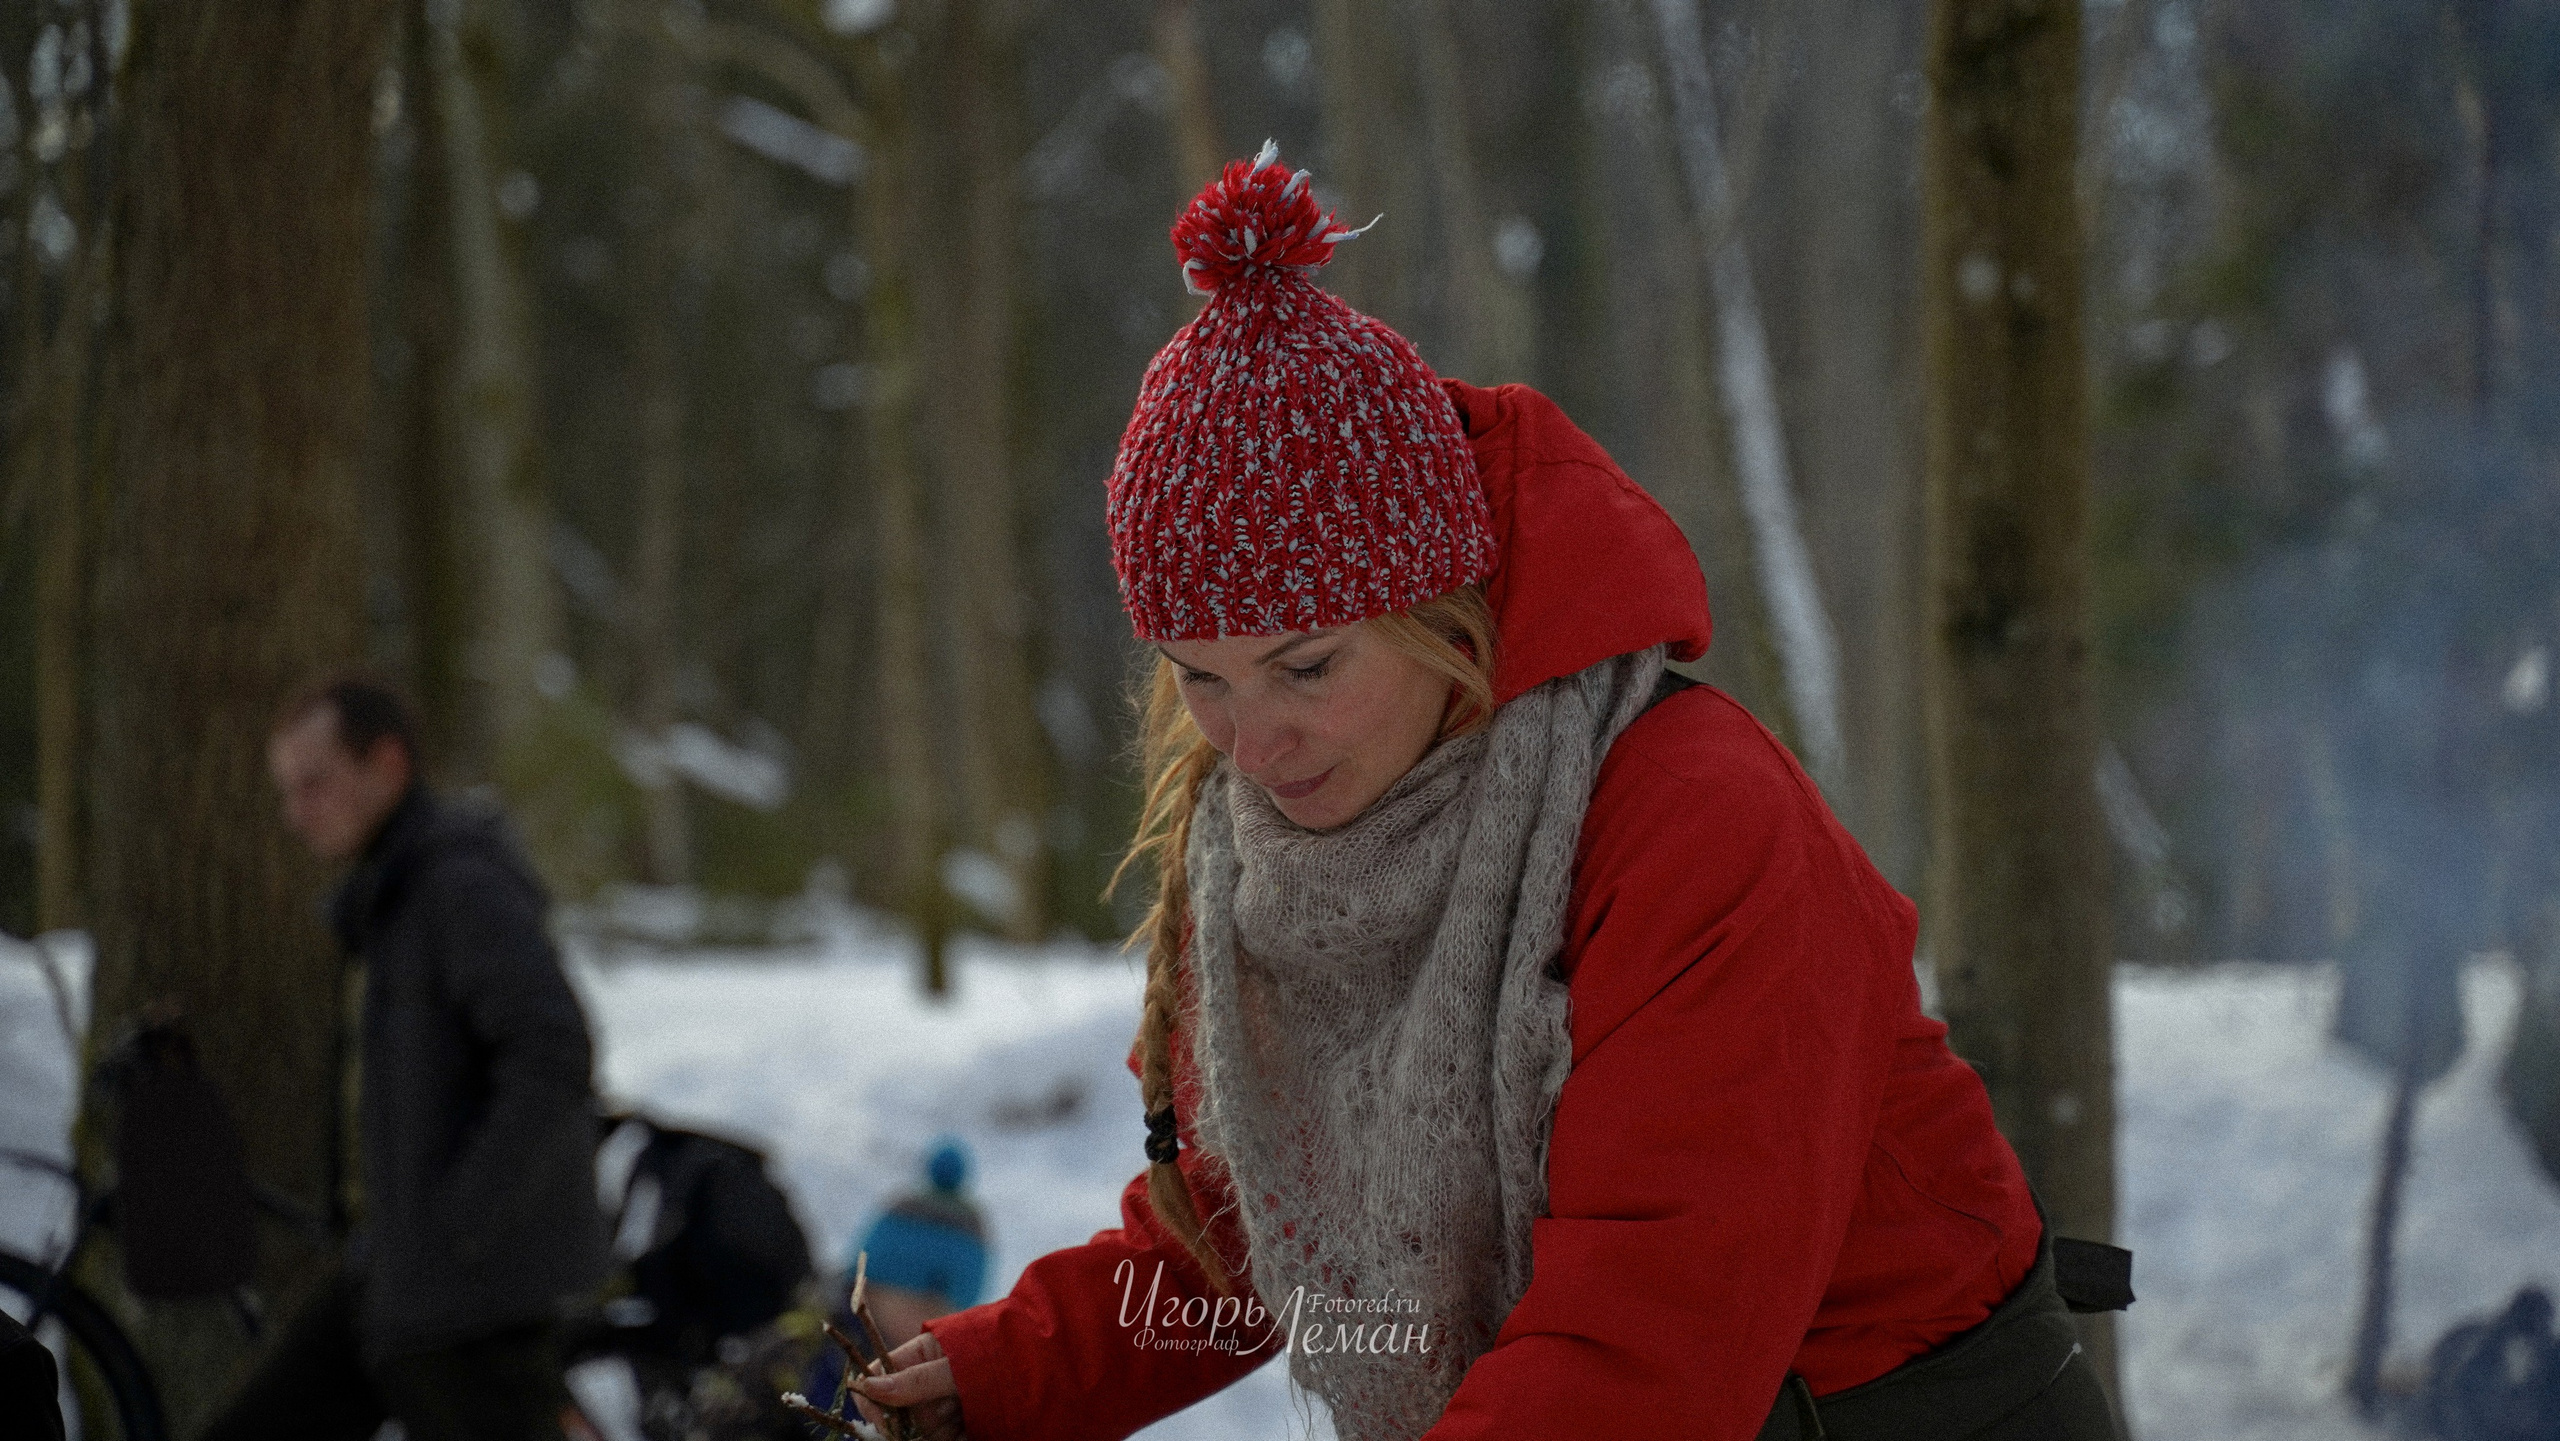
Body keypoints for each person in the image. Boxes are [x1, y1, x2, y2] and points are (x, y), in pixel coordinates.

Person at [850, 147, 2120, 1441]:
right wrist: (1000, 1381)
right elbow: (1250, 1229)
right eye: (1202, 679)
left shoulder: (1695, 822)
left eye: (1306, 665)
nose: (1254, 743)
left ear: (1435, 609)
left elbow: (1647, 1335)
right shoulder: (1263, 852)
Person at [205, 677, 607, 1441]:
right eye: (288, 791)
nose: (296, 813)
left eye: (315, 784)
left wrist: (459, 1224)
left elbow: (553, 1052)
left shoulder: (459, 884)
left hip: (471, 1299)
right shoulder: (391, 892)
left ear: (387, 765)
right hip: (396, 1278)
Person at [807, 1139, 989, 1404]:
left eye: (938, 1309)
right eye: (910, 1300)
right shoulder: (806, 1358)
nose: (923, 1326)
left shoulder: (950, 1397)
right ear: (866, 1288)